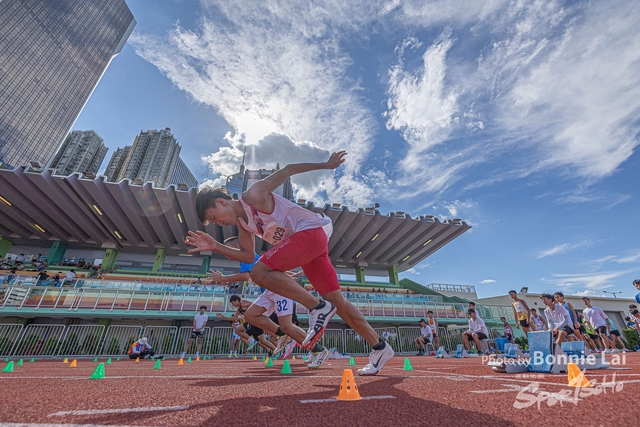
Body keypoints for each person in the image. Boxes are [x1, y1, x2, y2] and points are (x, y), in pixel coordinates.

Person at [185, 151, 394, 375]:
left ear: (221, 202)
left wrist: (326, 164)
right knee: (338, 302)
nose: (221, 223)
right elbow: (247, 256)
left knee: (260, 271)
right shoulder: (244, 225)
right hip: (310, 246)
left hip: (312, 230)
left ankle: (318, 307)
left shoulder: (253, 195)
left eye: (216, 217)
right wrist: (215, 246)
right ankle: (380, 347)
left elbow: (288, 169)